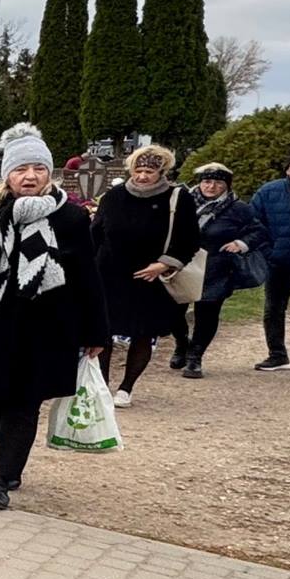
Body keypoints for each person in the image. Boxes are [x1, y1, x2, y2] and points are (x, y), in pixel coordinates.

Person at [0, 124, 108, 510]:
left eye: (39, 169)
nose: (30, 176)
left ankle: (0, 477)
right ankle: (10, 458)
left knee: (25, 402)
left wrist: (96, 331)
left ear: (49, 173)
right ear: (7, 174)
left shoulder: (71, 218)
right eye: (21, 169)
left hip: (47, 327)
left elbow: (87, 278)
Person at [91, 144, 199, 407]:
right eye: (138, 171)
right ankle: (102, 387)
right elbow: (95, 234)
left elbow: (189, 239)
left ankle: (126, 387)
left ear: (161, 172)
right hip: (110, 275)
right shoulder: (113, 196)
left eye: (149, 172)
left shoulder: (178, 198)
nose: (142, 176)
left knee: (143, 332)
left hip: (149, 278)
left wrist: (164, 264)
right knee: (103, 332)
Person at [171, 162, 269, 378]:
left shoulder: (238, 208)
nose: (211, 186)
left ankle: (195, 357)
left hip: (216, 266)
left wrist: (240, 243)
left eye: (218, 183)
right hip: (181, 265)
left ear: (227, 185)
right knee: (172, 312)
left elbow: (258, 231)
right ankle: (182, 343)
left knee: (207, 313)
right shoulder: (182, 201)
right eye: (207, 181)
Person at [250, 144, 290, 376]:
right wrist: (269, 252)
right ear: (287, 169)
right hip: (279, 260)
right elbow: (254, 224)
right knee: (273, 309)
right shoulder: (268, 192)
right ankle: (277, 355)